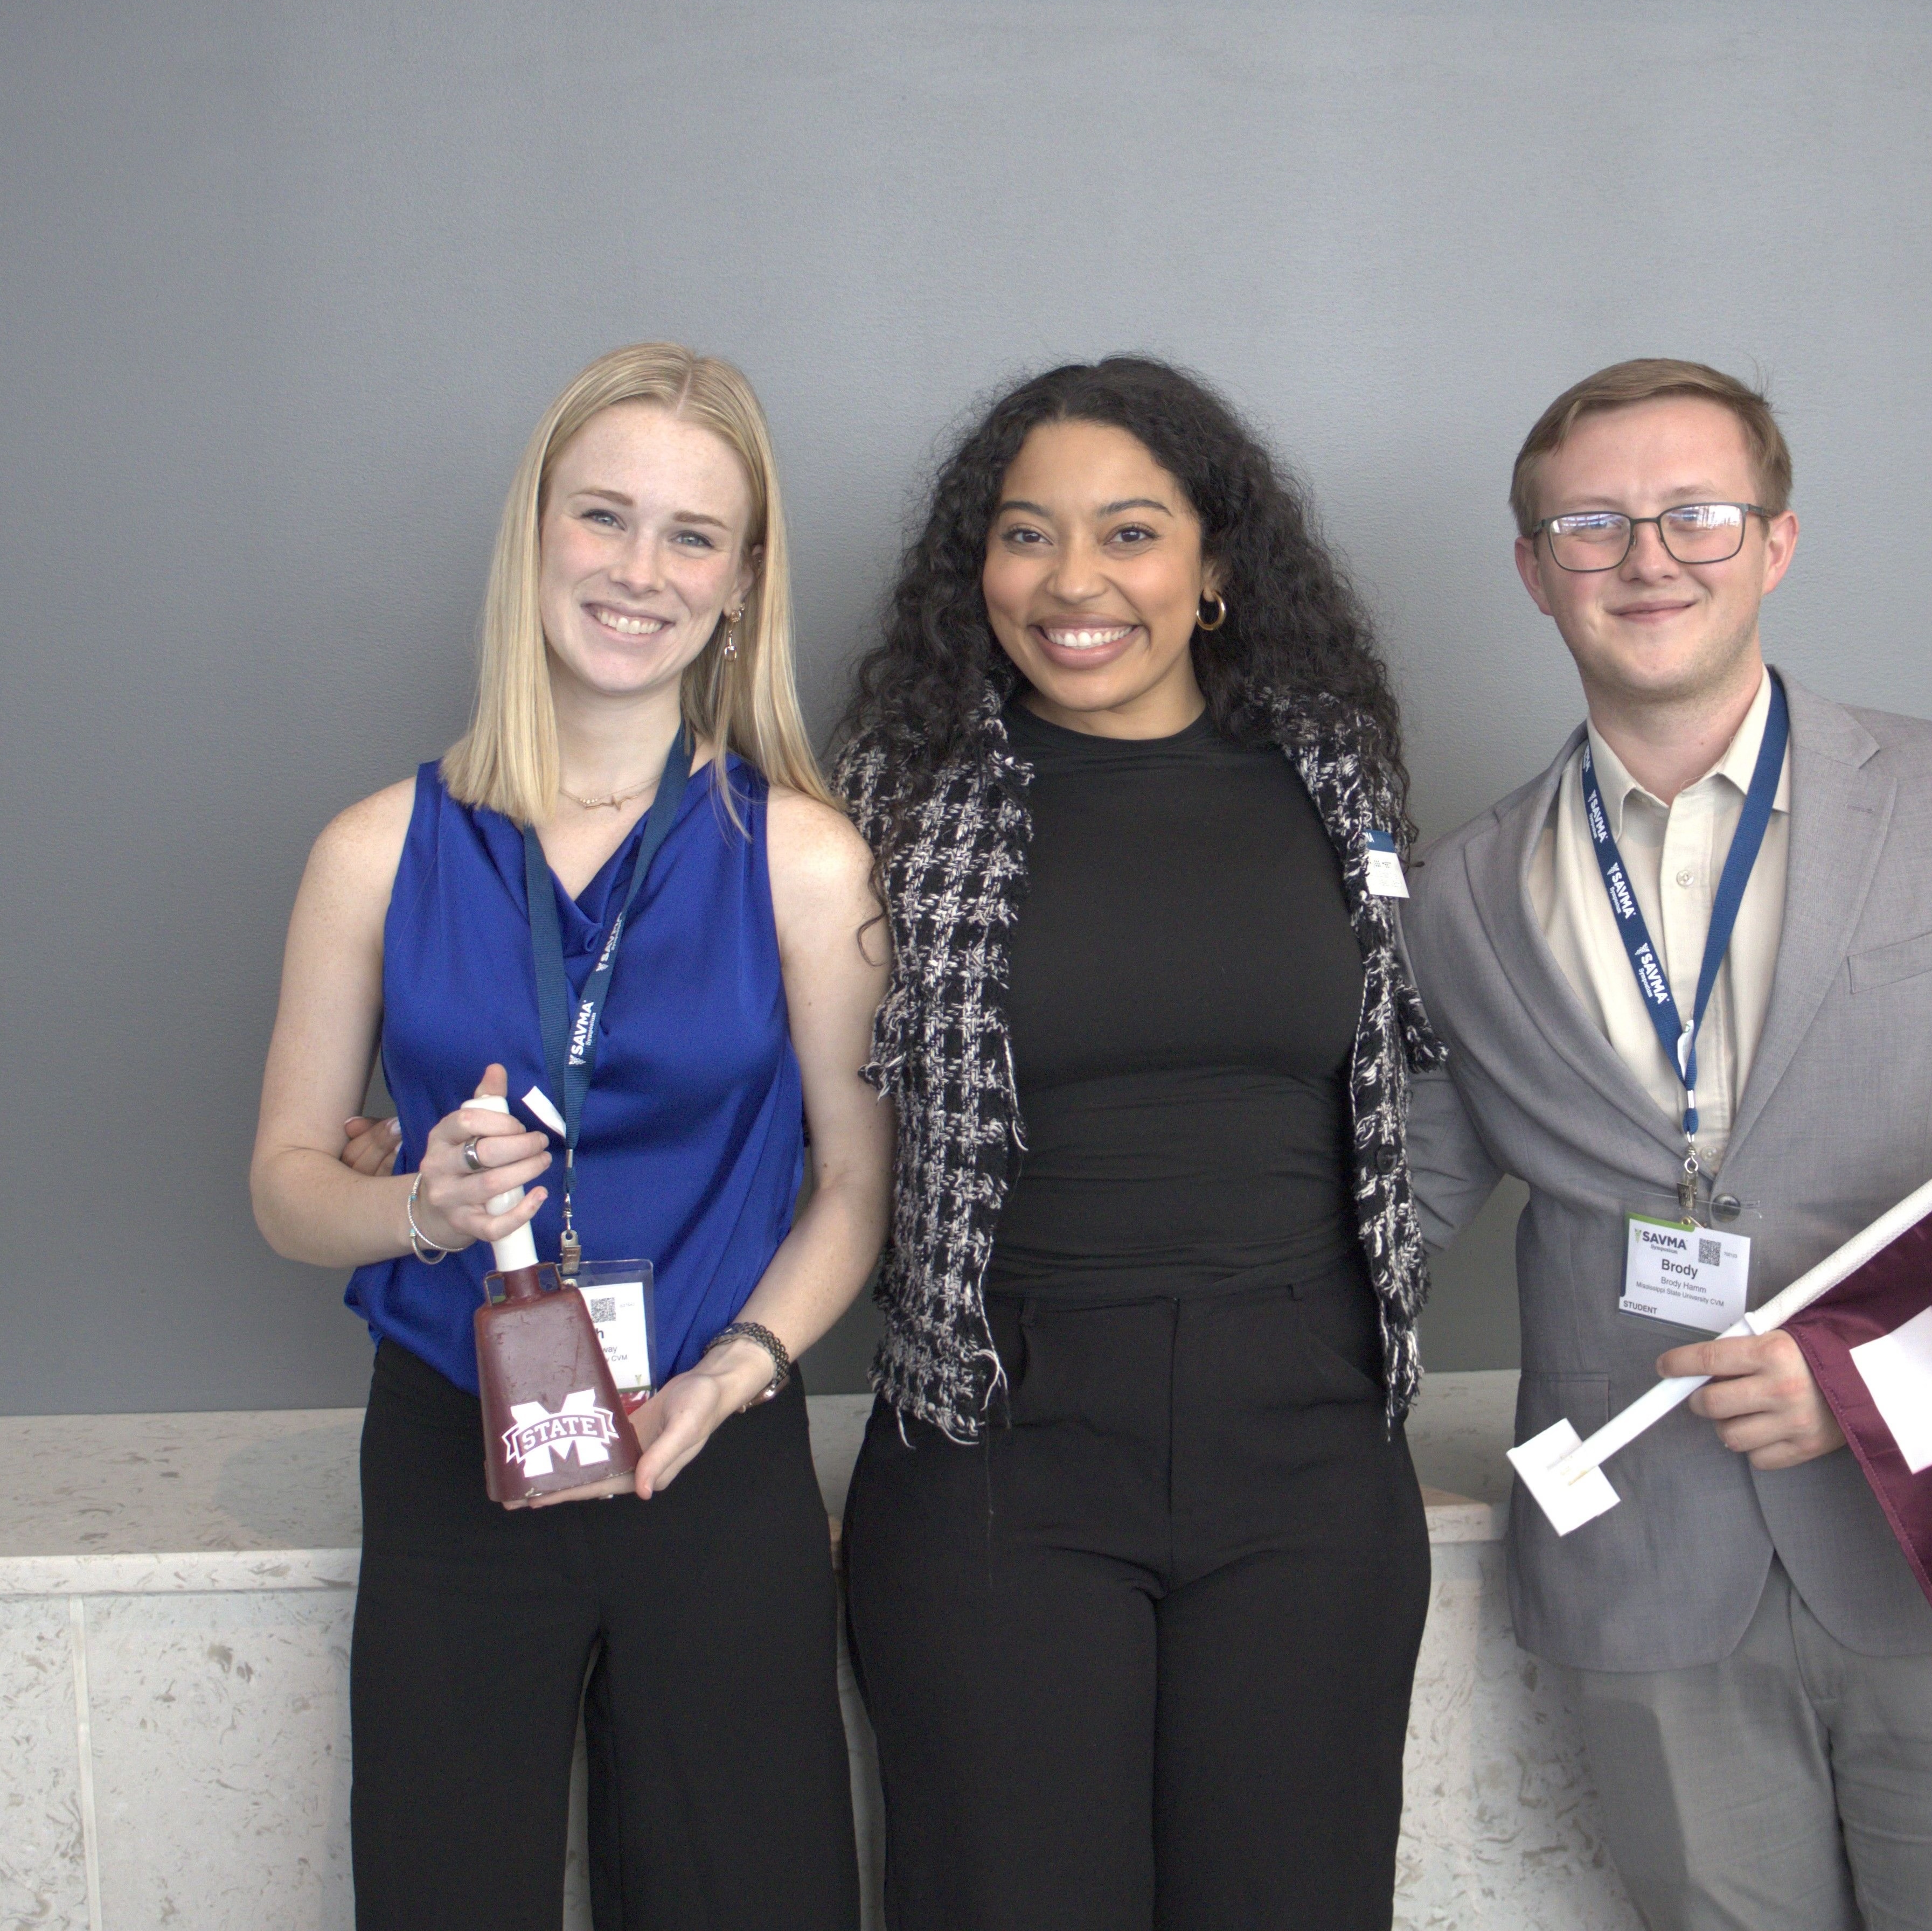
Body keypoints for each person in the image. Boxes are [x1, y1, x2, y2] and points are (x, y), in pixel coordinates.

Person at [1398, 358, 1932, 1931]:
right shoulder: (1456, 895)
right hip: (1644, 1558)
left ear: (1778, 543)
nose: (1648, 558)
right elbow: (1392, 1204)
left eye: (1697, 513)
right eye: (1593, 526)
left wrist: (1878, 1377)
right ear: (1535, 570)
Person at [251, 343, 887, 1931]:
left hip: (713, 1448)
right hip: (457, 1448)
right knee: (446, 1894)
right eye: (604, 516)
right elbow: (287, 1187)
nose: (638, 571)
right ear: (535, 535)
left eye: (692, 536)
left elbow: (858, 1185)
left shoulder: (806, 862)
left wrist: (735, 1376)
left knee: (751, 1897)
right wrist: (420, 1208)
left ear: (743, 583)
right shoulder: (373, 851)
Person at [831, 355, 1443, 1931]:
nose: (1073, 582)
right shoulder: (892, 802)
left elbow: (1403, 1074)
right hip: (998, 1439)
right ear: (978, 568)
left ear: (1214, 565)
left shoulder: (1337, 776)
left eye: (1130, 533)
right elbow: (793, 1091)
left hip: (1310, 1438)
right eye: (1026, 534)